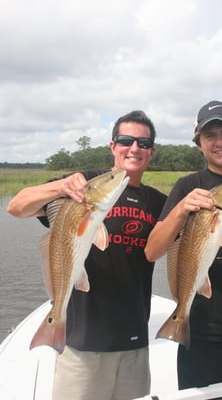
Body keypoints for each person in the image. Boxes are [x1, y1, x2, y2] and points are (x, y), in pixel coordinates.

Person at [7, 110, 167, 400]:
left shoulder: (156, 201)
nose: (134, 148)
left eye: (143, 143)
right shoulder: (83, 186)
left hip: (135, 343)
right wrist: (59, 186)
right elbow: (17, 207)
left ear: (151, 152)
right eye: (126, 140)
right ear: (112, 145)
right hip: (81, 344)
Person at [145, 101, 222, 390]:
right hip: (202, 331)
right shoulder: (188, 186)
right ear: (199, 144)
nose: (219, 141)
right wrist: (180, 210)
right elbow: (152, 251)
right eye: (209, 135)